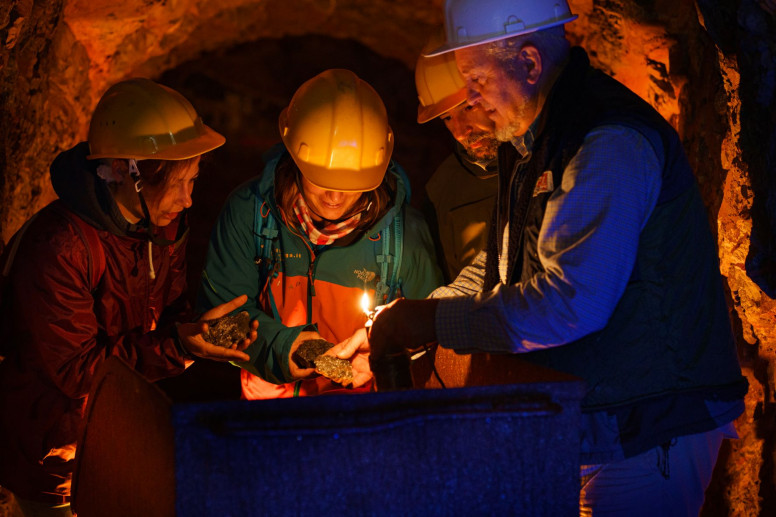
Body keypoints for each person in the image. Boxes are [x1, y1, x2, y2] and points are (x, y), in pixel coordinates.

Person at [366, 0, 749, 514]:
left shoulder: (607, 141)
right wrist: (415, 313)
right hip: (599, 420)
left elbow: (572, 301)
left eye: (476, 80)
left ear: (528, 62)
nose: (471, 102)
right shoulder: (534, 142)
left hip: (650, 423)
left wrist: (433, 321)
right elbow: (505, 263)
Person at [0, 78, 257, 515]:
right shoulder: (60, 245)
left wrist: (200, 333)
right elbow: (78, 371)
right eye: (178, 184)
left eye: (192, 181)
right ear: (127, 172)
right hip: (49, 450)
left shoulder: (160, 227)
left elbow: (163, 315)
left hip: (113, 435)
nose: (188, 200)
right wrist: (178, 346)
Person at [198, 68, 442, 399]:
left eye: (350, 185)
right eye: (320, 180)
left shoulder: (404, 238)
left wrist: (383, 359)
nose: (334, 198)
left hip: (365, 422)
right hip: (268, 424)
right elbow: (219, 322)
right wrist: (290, 348)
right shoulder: (251, 214)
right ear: (296, 158)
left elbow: (433, 341)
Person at [416, 30, 499, 282]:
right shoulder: (442, 191)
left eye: (468, 108)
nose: (460, 132)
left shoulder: (552, 159)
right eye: (447, 118)